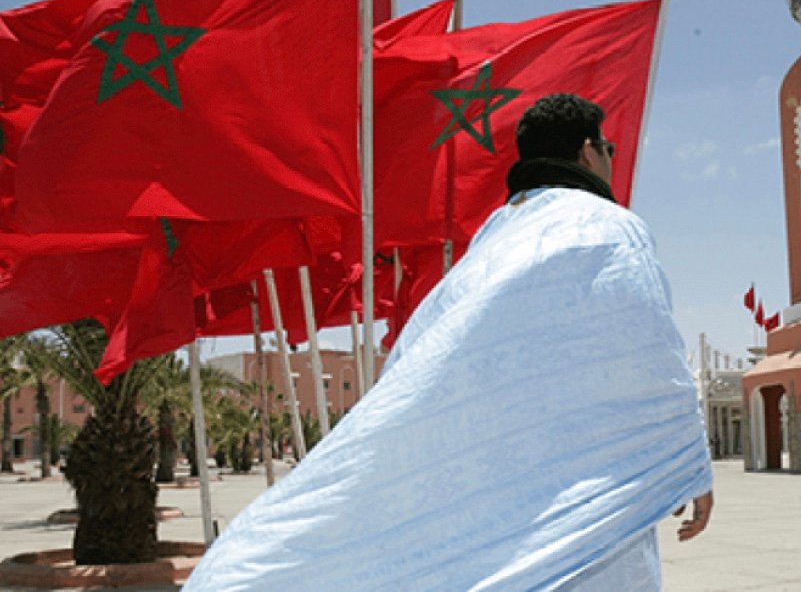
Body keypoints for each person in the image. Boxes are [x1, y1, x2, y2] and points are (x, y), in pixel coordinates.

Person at [186, 93, 713, 590]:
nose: (612, 160)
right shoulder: (606, 228)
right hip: (586, 510)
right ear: (586, 152)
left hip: (497, 500)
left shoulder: (490, 245)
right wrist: (684, 461)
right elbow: (645, 350)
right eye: (608, 148)